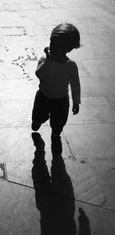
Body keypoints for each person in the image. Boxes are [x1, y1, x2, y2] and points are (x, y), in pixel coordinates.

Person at [31, 23, 81, 155]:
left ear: (68, 49)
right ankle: (37, 121)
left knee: (59, 122)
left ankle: (55, 135)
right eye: (52, 43)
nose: (53, 48)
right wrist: (49, 61)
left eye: (60, 47)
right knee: (38, 115)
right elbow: (39, 74)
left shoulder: (71, 66)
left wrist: (76, 101)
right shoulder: (45, 60)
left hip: (61, 101)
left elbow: (75, 84)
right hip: (43, 97)